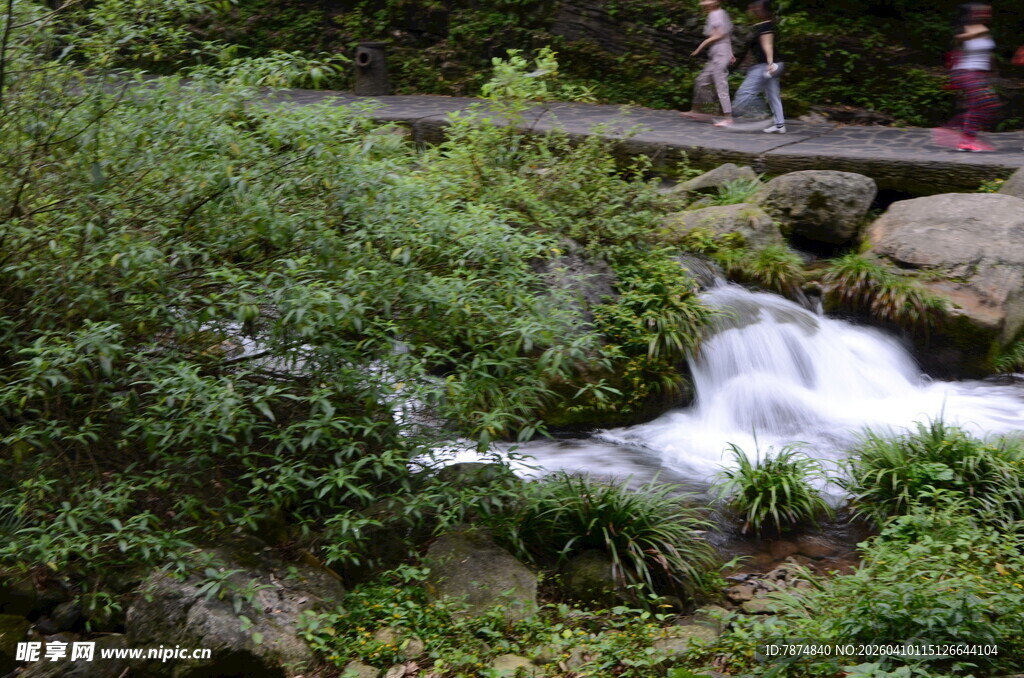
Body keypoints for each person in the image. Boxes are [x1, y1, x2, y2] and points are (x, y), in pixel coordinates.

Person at [943, 3, 999, 152]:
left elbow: (987, 53)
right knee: (987, 103)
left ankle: (964, 140)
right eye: (982, 12)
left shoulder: (984, 29)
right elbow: (957, 40)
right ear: (972, 14)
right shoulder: (965, 28)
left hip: (979, 73)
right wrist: (977, 33)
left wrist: (992, 72)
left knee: (984, 106)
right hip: (966, 71)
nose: (986, 15)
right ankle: (955, 130)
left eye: (988, 12)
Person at [731, 0, 786, 133]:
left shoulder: (766, 26)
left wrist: (770, 63)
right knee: (773, 95)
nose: (754, 10)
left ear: (763, 10)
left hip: (767, 65)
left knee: (745, 93)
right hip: (776, 64)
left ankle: (763, 116)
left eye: (756, 8)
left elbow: (768, 45)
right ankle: (780, 125)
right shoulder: (766, 25)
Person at [682, 0, 735, 126]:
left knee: (721, 84)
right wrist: (731, 53)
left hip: (720, 53)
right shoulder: (717, 13)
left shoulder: (716, 14)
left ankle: (728, 118)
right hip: (718, 53)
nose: (703, 3)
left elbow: (719, 35)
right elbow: (726, 35)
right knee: (701, 81)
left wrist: (700, 47)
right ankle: (698, 110)